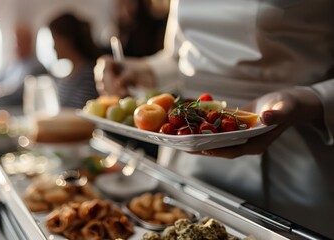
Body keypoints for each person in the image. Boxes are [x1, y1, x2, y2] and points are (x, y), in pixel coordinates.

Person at [95, 0, 334, 238]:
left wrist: (307, 99)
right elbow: (180, 57)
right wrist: (143, 69)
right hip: (189, 142)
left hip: (291, 154)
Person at [0, 22, 48, 107]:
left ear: (29, 42)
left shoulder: (37, 68)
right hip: (0, 100)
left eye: (19, 42)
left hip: (13, 107)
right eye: (14, 41)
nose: (15, 46)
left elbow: (17, 96)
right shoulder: (13, 64)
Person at [48, 13, 101, 109]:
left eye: (55, 40)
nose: (54, 47)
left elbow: (82, 112)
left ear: (67, 41)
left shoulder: (89, 75)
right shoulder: (70, 74)